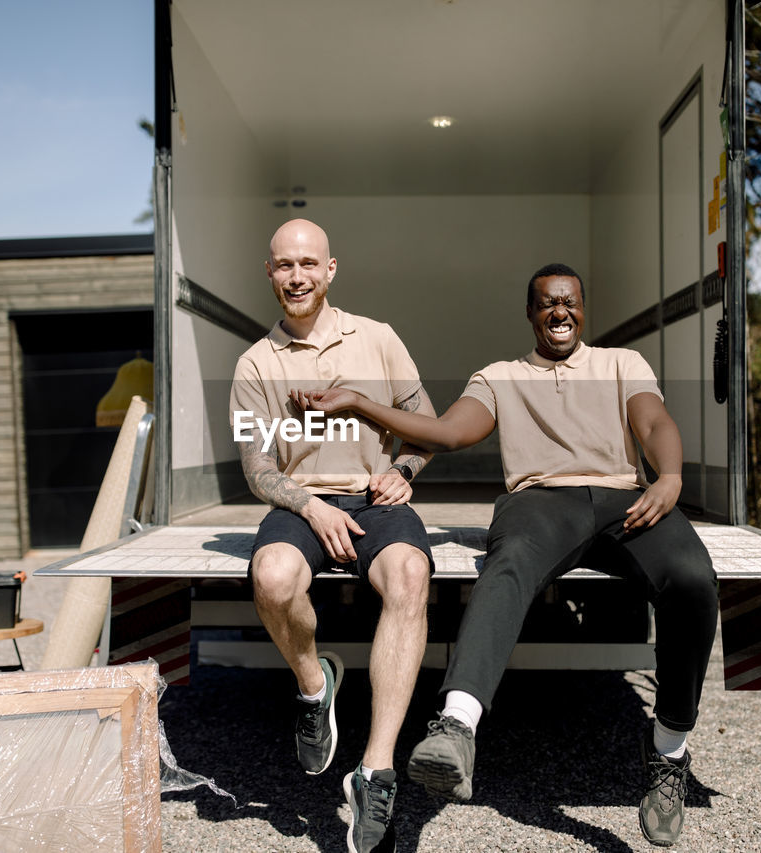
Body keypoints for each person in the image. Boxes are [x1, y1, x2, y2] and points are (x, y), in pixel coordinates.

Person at [295, 262, 719, 848]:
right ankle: (456, 728)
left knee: (694, 579)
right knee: (509, 563)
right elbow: (446, 434)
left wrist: (668, 476)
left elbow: (655, 421)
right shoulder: (498, 376)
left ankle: (669, 752)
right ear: (530, 313)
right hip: (541, 500)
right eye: (547, 303)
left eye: (569, 301)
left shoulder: (622, 363)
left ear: (583, 308)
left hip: (625, 498)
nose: (560, 312)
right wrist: (361, 404)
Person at [229, 219, 436, 853]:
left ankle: (375, 773)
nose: (297, 276)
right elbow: (256, 466)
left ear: (330, 269)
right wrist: (311, 507)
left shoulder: (377, 338)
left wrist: (403, 470)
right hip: (299, 503)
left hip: (375, 496)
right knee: (271, 576)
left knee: (409, 575)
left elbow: (424, 419)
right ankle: (315, 687)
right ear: (270, 273)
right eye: (284, 265)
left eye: (308, 264)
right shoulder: (253, 363)